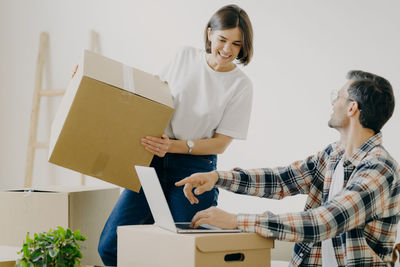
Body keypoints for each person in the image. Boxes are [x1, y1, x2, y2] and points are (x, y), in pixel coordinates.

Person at [176, 70, 399, 266]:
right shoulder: (334, 155)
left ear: (352, 108)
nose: (332, 103)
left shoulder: (379, 169)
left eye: (337, 96)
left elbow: (324, 222)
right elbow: (282, 179)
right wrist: (217, 178)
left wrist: (236, 221)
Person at [98, 4, 254, 266]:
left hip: (195, 169)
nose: (227, 50)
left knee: (186, 254)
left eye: (236, 44)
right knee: (112, 247)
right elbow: (150, 96)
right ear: (209, 34)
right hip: (152, 160)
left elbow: (220, 143)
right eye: (222, 39)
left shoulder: (241, 86)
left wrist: (173, 146)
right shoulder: (184, 56)